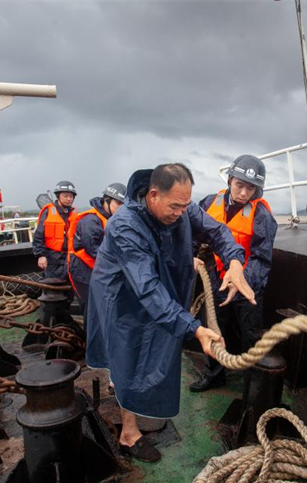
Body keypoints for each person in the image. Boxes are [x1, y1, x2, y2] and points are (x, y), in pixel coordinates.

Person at [86, 163, 256, 463]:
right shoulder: (124, 224)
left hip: (154, 284)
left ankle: (134, 398)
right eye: (175, 207)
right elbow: (147, 289)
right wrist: (195, 329)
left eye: (186, 206)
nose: (181, 214)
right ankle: (128, 433)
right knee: (128, 352)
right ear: (153, 195)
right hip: (122, 295)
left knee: (158, 341)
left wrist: (233, 262)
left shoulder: (181, 206)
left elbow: (216, 230)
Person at [190, 154, 277, 392]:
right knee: (215, 329)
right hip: (217, 278)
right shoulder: (210, 202)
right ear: (229, 180)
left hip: (248, 285)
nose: (243, 193)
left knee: (251, 335)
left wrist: (240, 283)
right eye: (239, 185)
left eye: (250, 188)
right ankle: (214, 376)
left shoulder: (262, 216)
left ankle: (253, 384)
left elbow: (261, 258)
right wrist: (191, 254)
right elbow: (194, 233)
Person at [66, 182, 126, 330]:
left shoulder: (111, 219)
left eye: (123, 204)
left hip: (97, 269)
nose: (121, 208)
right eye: (118, 203)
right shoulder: (91, 221)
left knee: (103, 307)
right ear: (106, 200)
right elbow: (95, 250)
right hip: (83, 272)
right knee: (92, 308)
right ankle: (91, 346)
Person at [33, 181, 78, 280]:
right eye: (65, 196)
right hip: (52, 258)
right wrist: (41, 255)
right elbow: (39, 235)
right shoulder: (48, 212)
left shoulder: (73, 213)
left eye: (71, 196)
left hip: (69, 257)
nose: (69, 199)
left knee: (70, 285)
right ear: (58, 196)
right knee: (54, 288)